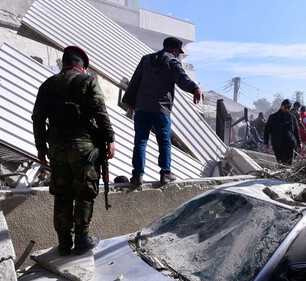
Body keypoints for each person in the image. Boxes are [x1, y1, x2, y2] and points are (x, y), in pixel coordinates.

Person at [32, 46, 116, 256]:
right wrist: (110, 140)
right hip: (84, 149)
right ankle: (82, 240)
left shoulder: (47, 85)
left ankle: (63, 244)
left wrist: (41, 147)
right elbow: (100, 113)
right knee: (84, 194)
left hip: (58, 149)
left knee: (62, 195)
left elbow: (38, 119)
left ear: (64, 63)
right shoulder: (87, 81)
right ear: (82, 67)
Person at [122, 36, 203, 185]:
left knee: (140, 141)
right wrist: (195, 88)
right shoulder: (172, 62)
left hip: (141, 108)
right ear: (174, 50)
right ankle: (165, 173)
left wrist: (131, 102)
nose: (178, 55)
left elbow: (135, 81)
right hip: (161, 109)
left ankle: (137, 176)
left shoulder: (146, 59)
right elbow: (182, 79)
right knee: (164, 143)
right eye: (178, 52)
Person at [263, 99, 301, 165]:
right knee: (281, 163)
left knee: (289, 164)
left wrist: (299, 143)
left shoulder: (293, 117)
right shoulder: (273, 117)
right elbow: (267, 130)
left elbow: (296, 131)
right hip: (278, 145)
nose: (287, 109)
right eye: (285, 107)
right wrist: (266, 143)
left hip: (290, 145)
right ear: (281, 107)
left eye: (288, 108)